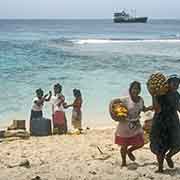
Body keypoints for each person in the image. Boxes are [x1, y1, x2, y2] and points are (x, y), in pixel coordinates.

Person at [110, 81, 152, 167]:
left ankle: (130, 151)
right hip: (125, 125)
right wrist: (113, 114)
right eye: (134, 88)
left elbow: (143, 109)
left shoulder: (141, 99)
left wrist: (150, 108)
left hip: (136, 125)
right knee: (124, 145)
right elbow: (113, 102)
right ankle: (124, 162)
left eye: (138, 88)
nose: (136, 90)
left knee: (141, 142)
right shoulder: (125, 99)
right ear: (130, 89)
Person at [150, 74, 180, 173]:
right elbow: (157, 109)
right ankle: (160, 168)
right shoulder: (160, 94)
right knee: (160, 147)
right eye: (173, 82)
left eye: (177, 82)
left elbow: (178, 107)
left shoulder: (176, 94)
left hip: (173, 122)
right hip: (160, 123)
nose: (176, 84)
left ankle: (169, 156)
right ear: (168, 83)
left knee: (177, 144)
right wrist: (153, 96)